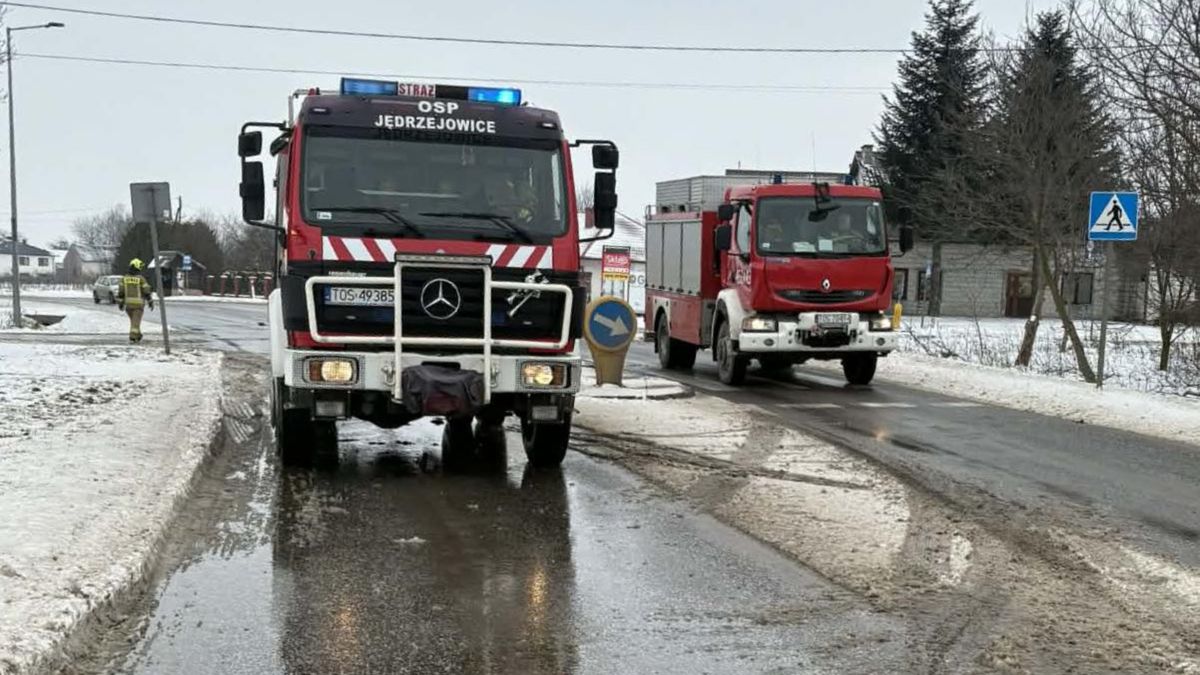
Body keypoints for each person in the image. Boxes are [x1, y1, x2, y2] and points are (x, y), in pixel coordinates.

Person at [117, 258, 154, 343]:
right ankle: (133, 337)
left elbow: (121, 293)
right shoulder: (141, 279)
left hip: (128, 306)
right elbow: (146, 291)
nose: (141, 268)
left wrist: (121, 303)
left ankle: (138, 335)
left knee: (134, 322)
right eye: (140, 267)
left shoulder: (124, 279)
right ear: (137, 267)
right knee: (135, 323)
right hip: (138, 306)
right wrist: (150, 301)